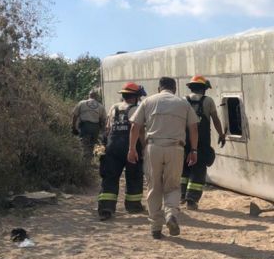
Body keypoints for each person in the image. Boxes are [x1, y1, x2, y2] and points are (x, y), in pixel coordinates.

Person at [128, 77, 199, 240]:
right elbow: (194, 127)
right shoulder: (183, 103)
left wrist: (132, 149)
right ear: (174, 89)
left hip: (153, 147)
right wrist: (193, 150)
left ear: (159, 88)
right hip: (176, 147)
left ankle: (155, 228)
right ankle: (170, 214)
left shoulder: (148, 101)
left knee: (154, 187)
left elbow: (135, 126)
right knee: (173, 186)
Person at [97, 82, 145, 220]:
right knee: (134, 176)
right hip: (131, 146)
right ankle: (133, 205)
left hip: (112, 146)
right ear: (135, 97)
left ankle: (106, 208)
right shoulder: (136, 109)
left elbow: (107, 128)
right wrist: (143, 147)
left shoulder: (113, 108)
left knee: (110, 177)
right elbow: (140, 131)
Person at [181, 75, 226, 210]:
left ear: (191, 87)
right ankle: (192, 199)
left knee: (184, 169)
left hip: (184, 140)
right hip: (201, 142)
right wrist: (221, 134)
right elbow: (215, 119)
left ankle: (181, 195)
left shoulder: (183, 100)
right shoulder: (208, 101)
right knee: (199, 169)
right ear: (204, 89)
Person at [72, 90, 106, 160]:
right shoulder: (100, 106)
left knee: (84, 144)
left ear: (89, 95)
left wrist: (73, 127)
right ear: (96, 97)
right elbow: (103, 120)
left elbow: (75, 115)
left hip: (85, 127)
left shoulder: (82, 103)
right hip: (95, 127)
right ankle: (98, 158)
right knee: (95, 143)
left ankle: (86, 162)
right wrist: (103, 131)